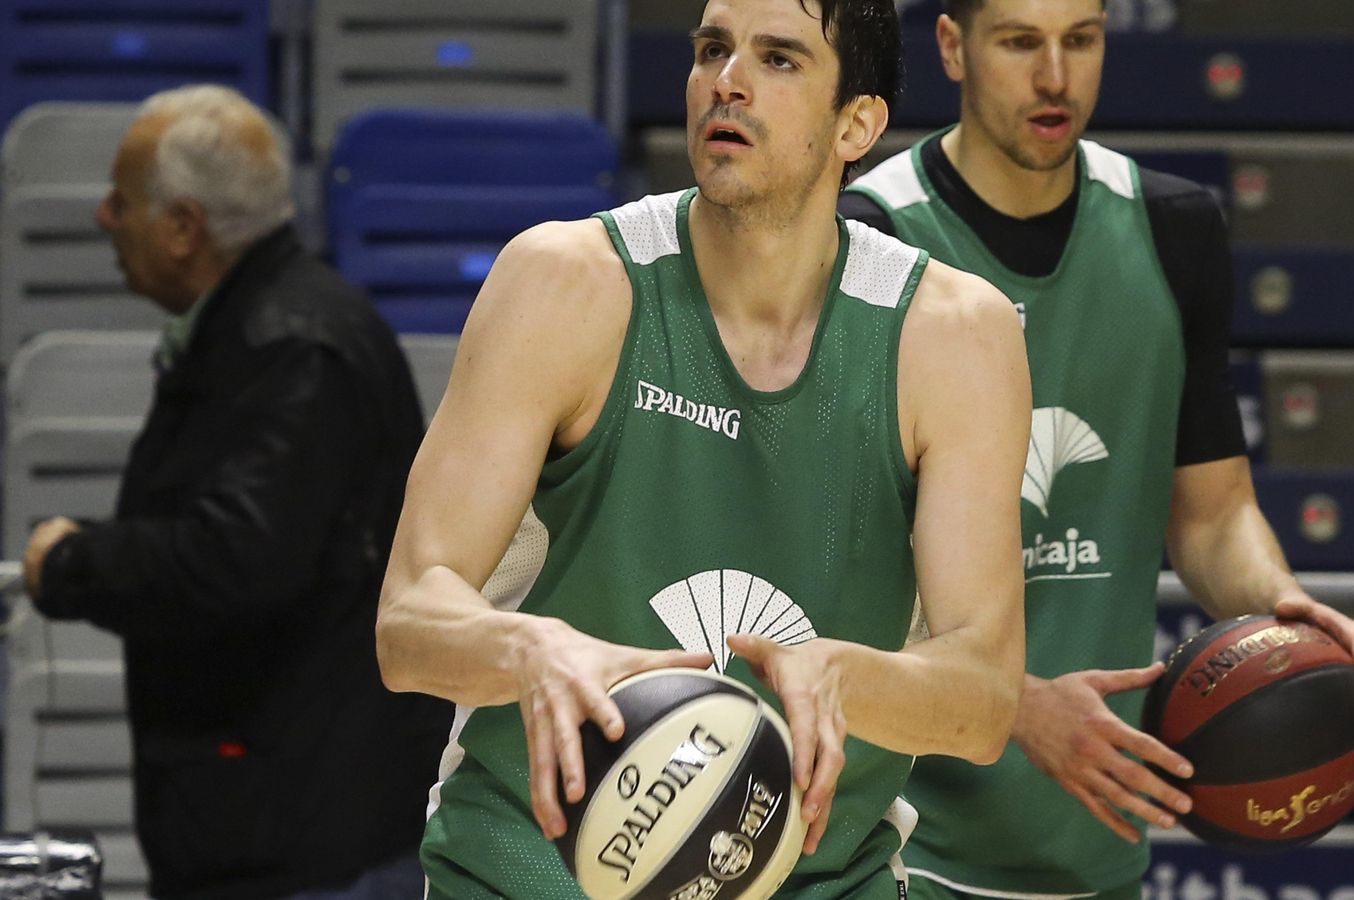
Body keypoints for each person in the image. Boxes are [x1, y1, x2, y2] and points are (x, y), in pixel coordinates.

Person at [373, 0, 1033, 897]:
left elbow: (984, 701)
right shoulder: (563, 283)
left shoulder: (954, 337)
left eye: (780, 60)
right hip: (532, 870)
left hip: (817, 875)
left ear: (857, 124)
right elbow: (409, 622)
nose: (728, 81)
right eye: (713, 50)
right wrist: (530, 651)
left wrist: (844, 676)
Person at [839, 2, 1354, 898]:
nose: (1056, 76)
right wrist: (1012, 705)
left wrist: (1283, 605)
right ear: (953, 47)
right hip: (905, 852)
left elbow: (1213, 515)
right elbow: (835, 569)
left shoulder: (1174, 229)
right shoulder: (872, 236)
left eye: (1082, 40)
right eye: (1021, 42)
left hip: (1101, 852)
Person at [21, 85, 451, 900]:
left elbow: (235, 561)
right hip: (276, 812)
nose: (104, 220)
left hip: (305, 841)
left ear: (183, 228)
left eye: (123, 202)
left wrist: (71, 563)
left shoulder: (291, 348)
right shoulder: (270, 324)